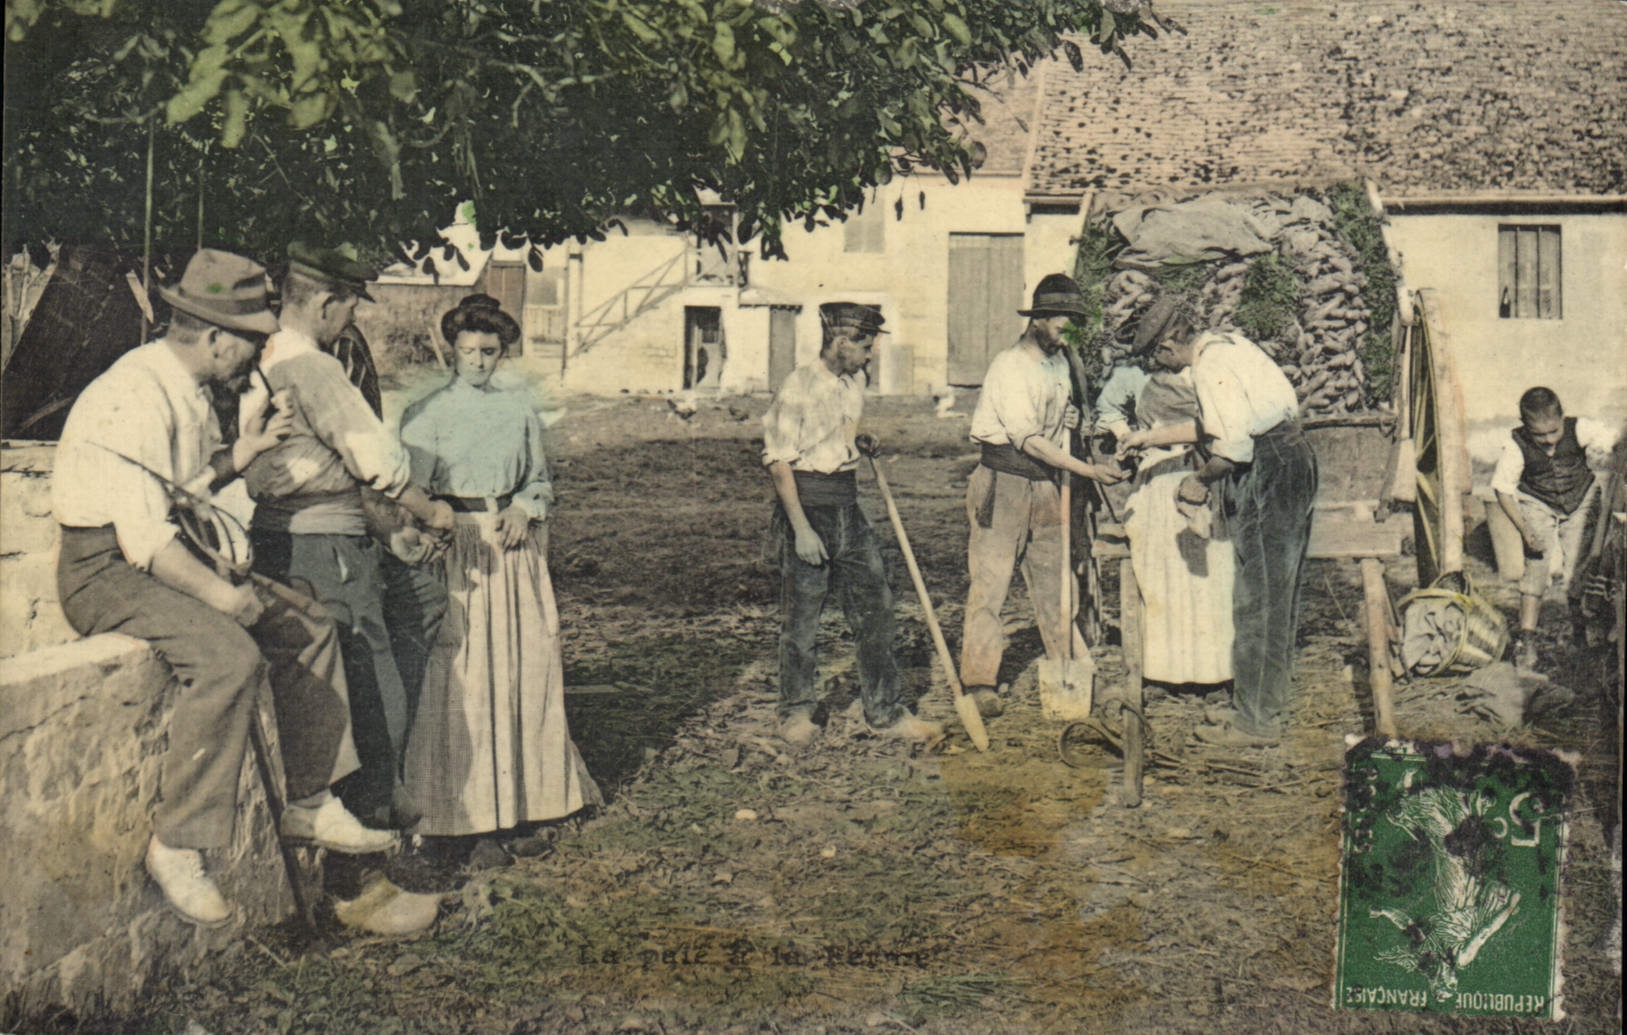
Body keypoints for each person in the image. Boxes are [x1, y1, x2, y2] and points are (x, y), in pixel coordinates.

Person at [52, 249, 396, 928]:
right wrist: (224, 598)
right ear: (213, 337)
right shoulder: (134, 394)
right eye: (248, 339)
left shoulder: (183, 385)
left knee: (309, 624)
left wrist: (244, 451)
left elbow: (185, 487)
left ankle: (308, 799)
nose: (255, 353)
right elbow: (146, 541)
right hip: (101, 570)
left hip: (166, 547)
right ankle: (178, 842)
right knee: (228, 658)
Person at [242, 245, 454, 830]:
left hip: (300, 535)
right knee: (368, 674)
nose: (351, 320)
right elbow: (373, 456)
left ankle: (386, 782)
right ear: (327, 303)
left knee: (417, 606)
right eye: (349, 307)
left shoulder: (261, 355)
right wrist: (427, 508)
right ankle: (374, 810)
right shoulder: (312, 365)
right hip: (324, 543)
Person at [398, 295, 601, 840]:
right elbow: (410, 493)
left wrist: (522, 508)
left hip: (513, 552)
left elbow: (539, 481)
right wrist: (429, 534)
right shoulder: (427, 416)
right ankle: (457, 814)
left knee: (523, 668)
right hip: (458, 551)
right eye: (469, 351)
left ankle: (530, 804)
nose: (480, 362)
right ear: (453, 351)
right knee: (464, 677)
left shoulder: (518, 413)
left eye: (490, 352)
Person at [1132, 295, 1317, 748]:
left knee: (1258, 597)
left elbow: (1232, 449)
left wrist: (1196, 481)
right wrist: (1150, 437)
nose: (1166, 367)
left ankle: (1256, 722)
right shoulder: (1229, 345)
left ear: (1171, 343)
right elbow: (1218, 425)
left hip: (1269, 468)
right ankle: (1260, 705)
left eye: (1161, 355)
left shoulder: (1208, 367)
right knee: (1277, 594)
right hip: (1292, 456)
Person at [761, 302, 941, 748]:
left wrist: (857, 439)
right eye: (865, 345)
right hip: (807, 509)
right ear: (841, 342)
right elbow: (780, 463)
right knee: (803, 619)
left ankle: (884, 711)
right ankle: (796, 712)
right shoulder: (798, 386)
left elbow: (834, 433)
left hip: (848, 509)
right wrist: (801, 530)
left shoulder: (852, 382)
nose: (870, 355)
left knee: (876, 610)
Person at [960, 274, 1125, 718]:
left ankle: (1073, 668)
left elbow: (1058, 421)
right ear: (1037, 320)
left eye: (1073, 322)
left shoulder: (1060, 362)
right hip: (1005, 483)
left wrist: (1071, 417)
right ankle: (979, 682)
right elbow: (1027, 438)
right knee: (991, 583)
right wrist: (1086, 469)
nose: (1067, 330)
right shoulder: (1010, 366)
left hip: (1050, 484)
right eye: (1060, 321)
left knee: (1056, 585)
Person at [1102, 349, 1234, 688]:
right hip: (1157, 477)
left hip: (1199, 472)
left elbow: (1217, 425)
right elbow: (1107, 409)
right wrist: (1125, 436)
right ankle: (1165, 670)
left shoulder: (1203, 374)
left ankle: (1214, 670)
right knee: (1162, 573)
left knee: (1208, 573)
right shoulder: (1132, 377)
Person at [1492, 387, 1617, 669]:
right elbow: (1502, 489)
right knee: (1536, 567)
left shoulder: (1580, 428)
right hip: (1537, 501)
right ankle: (1527, 640)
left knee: (1577, 569)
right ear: (1526, 427)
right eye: (1540, 436)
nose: (1548, 442)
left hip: (1580, 498)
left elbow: (1614, 444)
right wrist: (1525, 530)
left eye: (1553, 432)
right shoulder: (1515, 444)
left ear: (1563, 418)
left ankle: (1582, 635)